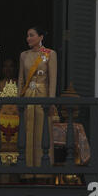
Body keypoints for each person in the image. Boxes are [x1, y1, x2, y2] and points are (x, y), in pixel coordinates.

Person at [18, 27, 57, 177]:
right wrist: (18, 99)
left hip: (43, 95)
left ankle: (44, 173)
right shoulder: (24, 55)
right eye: (27, 36)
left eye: (31, 35)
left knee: (43, 132)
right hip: (28, 95)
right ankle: (26, 173)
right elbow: (21, 79)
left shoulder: (50, 54)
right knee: (27, 131)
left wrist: (51, 100)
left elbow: (52, 79)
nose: (28, 38)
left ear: (40, 37)